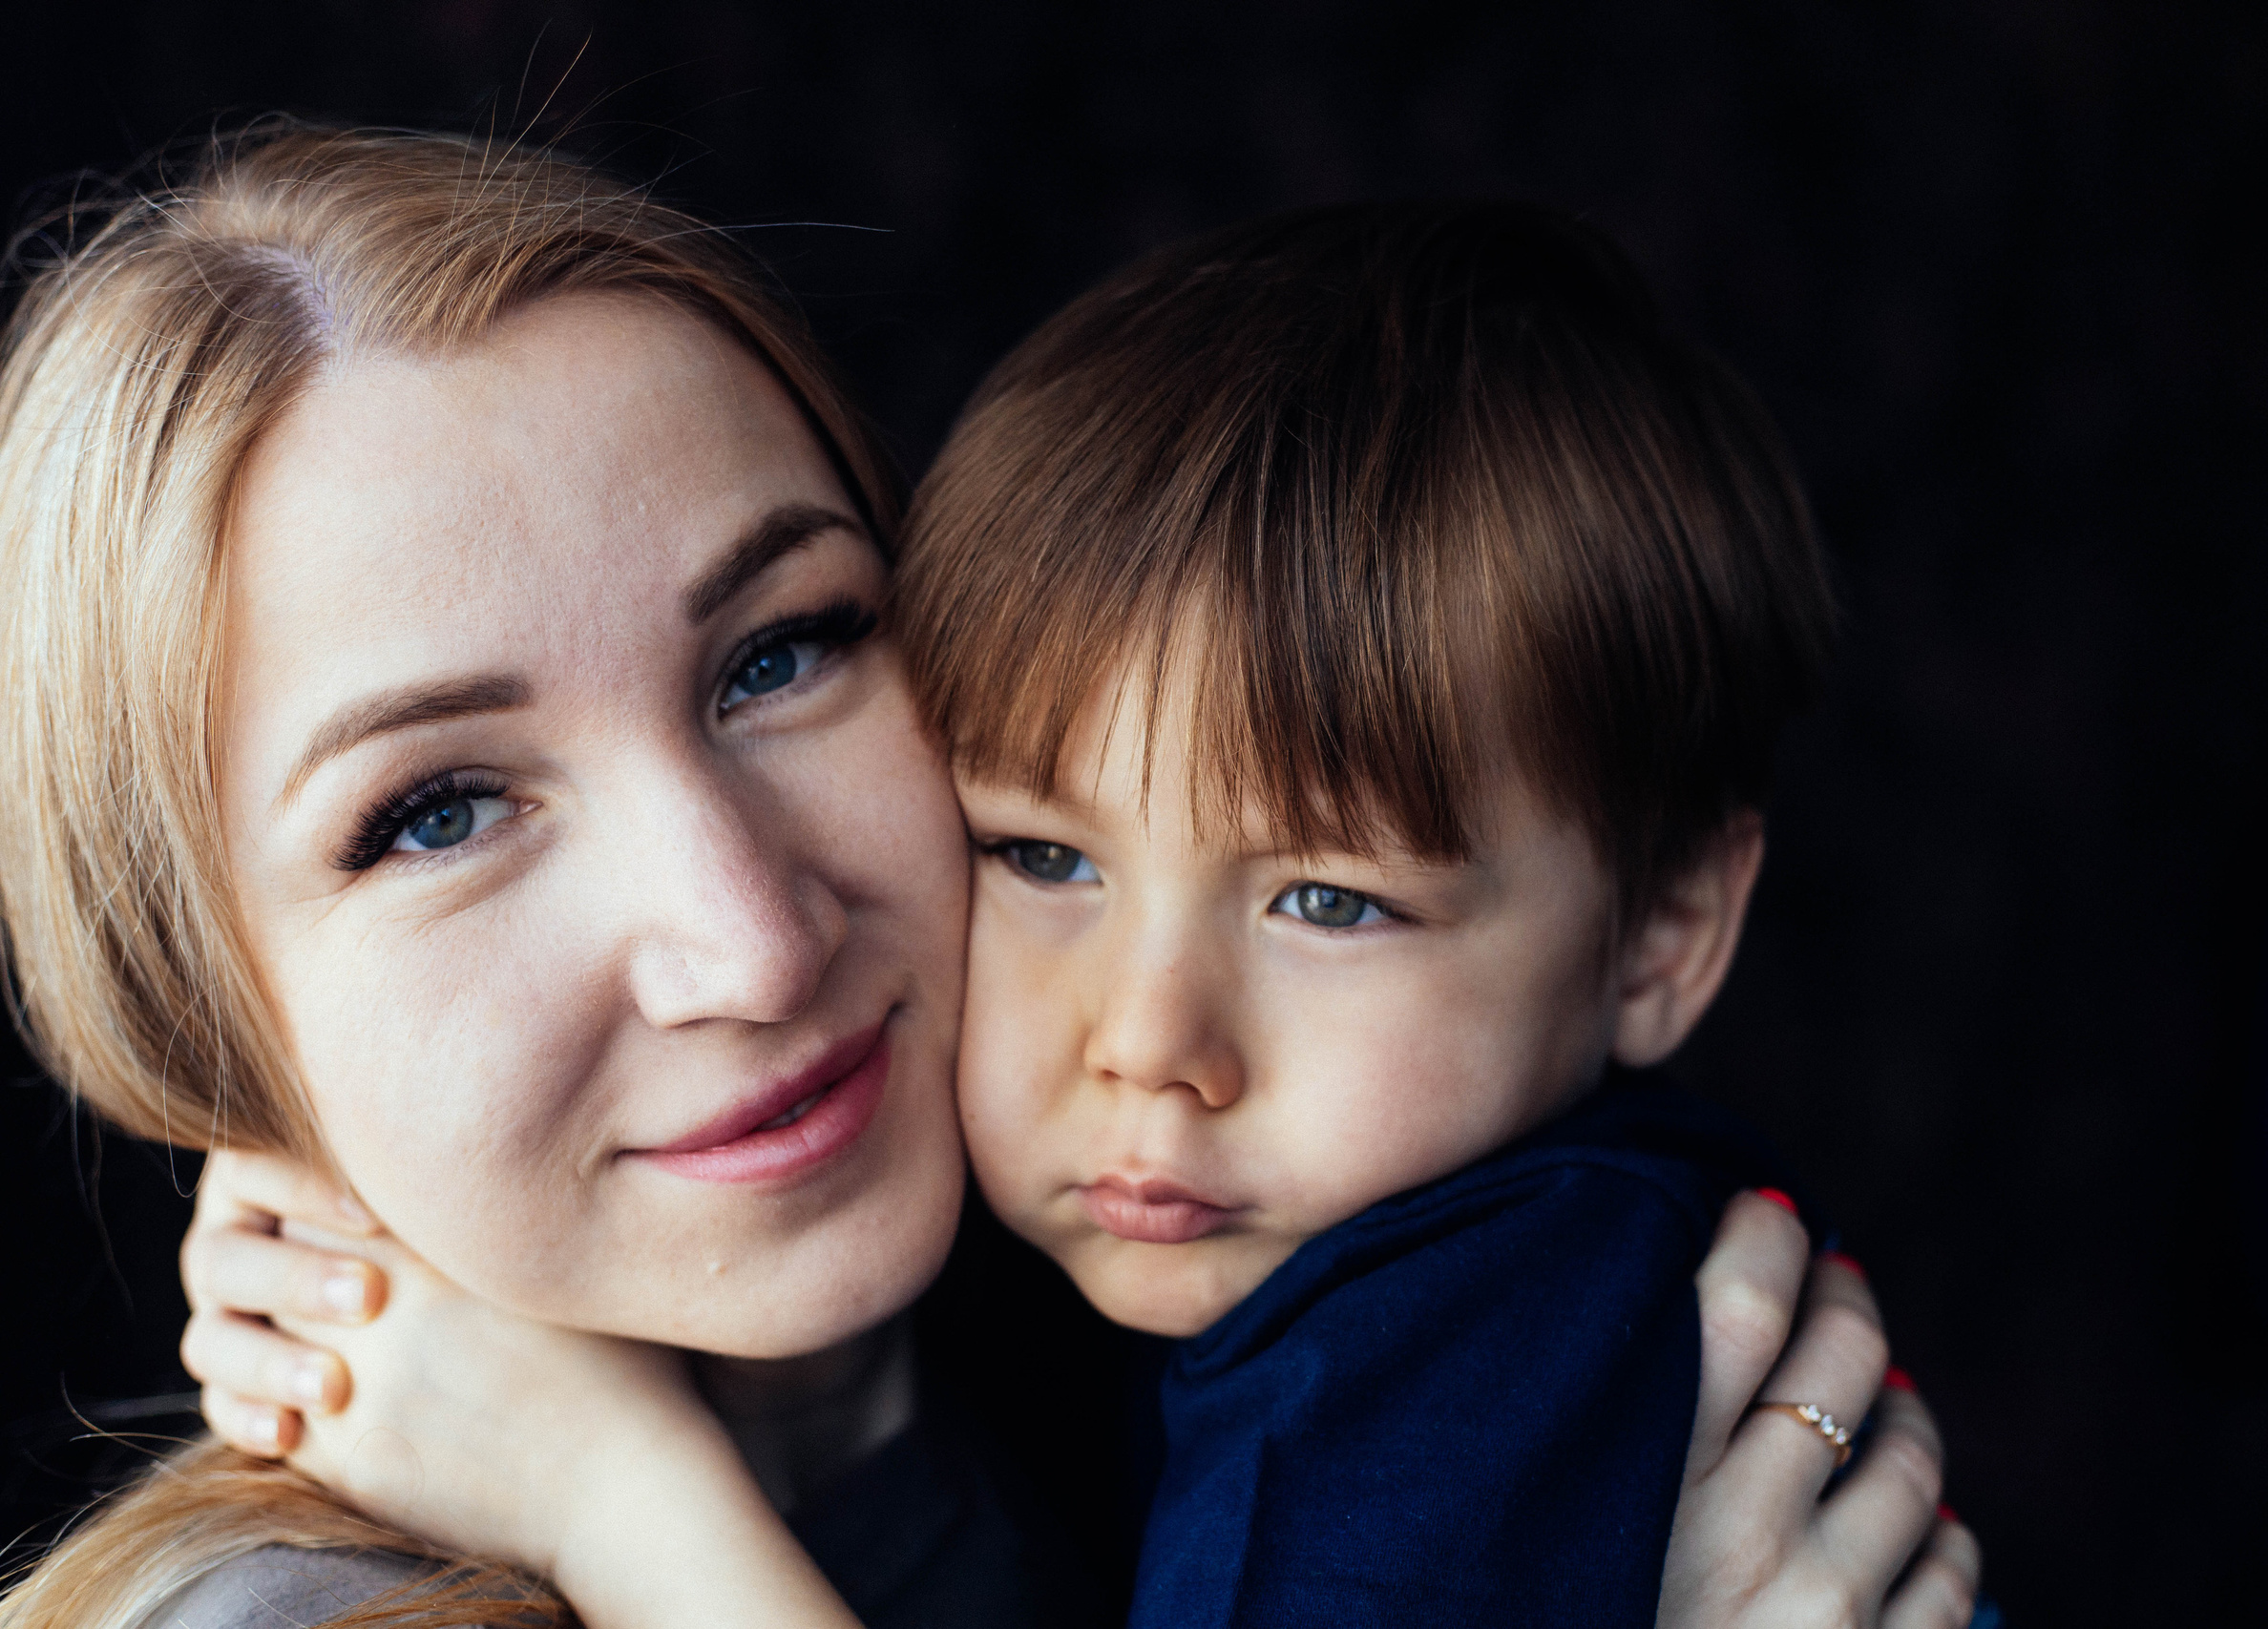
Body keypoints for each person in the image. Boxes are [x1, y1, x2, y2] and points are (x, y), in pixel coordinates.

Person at [0, 124, 1975, 1628]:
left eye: (779, 652)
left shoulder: (1172, 1323)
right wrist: (619, 1493)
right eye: (435, 809)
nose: (753, 939)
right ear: (193, 1000)